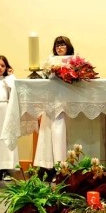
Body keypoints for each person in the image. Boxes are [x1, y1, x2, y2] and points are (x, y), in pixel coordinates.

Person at [33, 36, 76, 175]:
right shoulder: (49, 61)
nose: (59, 47)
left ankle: (60, 166)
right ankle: (45, 165)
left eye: (62, 44)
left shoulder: (73, 61)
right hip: (50, 101)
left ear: (68, 46)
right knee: (46, 131)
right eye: (57, 45)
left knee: (60, 131)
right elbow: (42, 77)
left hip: (64, 101)